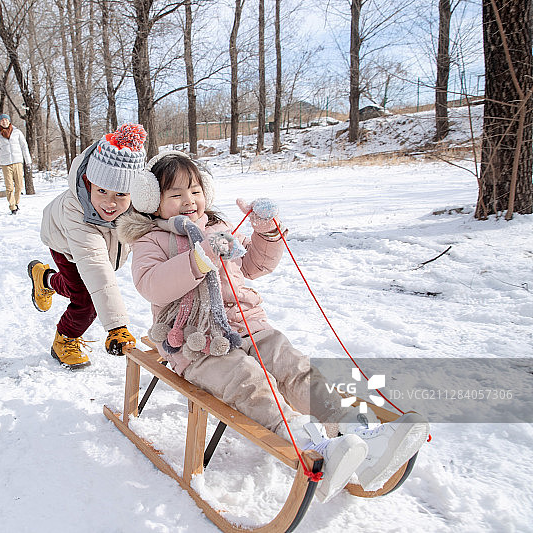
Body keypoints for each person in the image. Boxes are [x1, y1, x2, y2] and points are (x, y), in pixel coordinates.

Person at [118, 151, 429, 503]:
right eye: (175, 195)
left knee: (294, 366)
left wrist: (266, 233)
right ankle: (307, 446)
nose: (189, 201)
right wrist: (199, 258)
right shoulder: (149, 241)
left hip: (250, 325)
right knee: (247, 380)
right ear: (151, 201)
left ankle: (354, 431)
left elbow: (252, 266)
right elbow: (152, 285)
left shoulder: (218, 228)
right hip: (198, 343)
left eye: (194, 190)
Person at [26, 124, 147, 369]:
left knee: (79, 288)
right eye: (102, 190)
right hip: (64, 242)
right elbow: (97, 269)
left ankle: (45, 280)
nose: (110, 203)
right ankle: (65, 340)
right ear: (88, 182)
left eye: (121, 195)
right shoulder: (76, 211)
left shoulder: (140, 204)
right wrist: (117, 326)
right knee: (85, 301)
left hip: (98, 248)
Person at [0, 113, 32, 215]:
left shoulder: (17, 132)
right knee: (9, 187)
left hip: (17, 162)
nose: (4, 121)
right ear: (0, 122)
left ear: (9, 121)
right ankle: (12, 206)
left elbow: (24, 147)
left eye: (6, 120)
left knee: (19, 185)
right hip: (5, 164)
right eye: (2, 120)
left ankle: (16, 203)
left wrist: (28, 162)